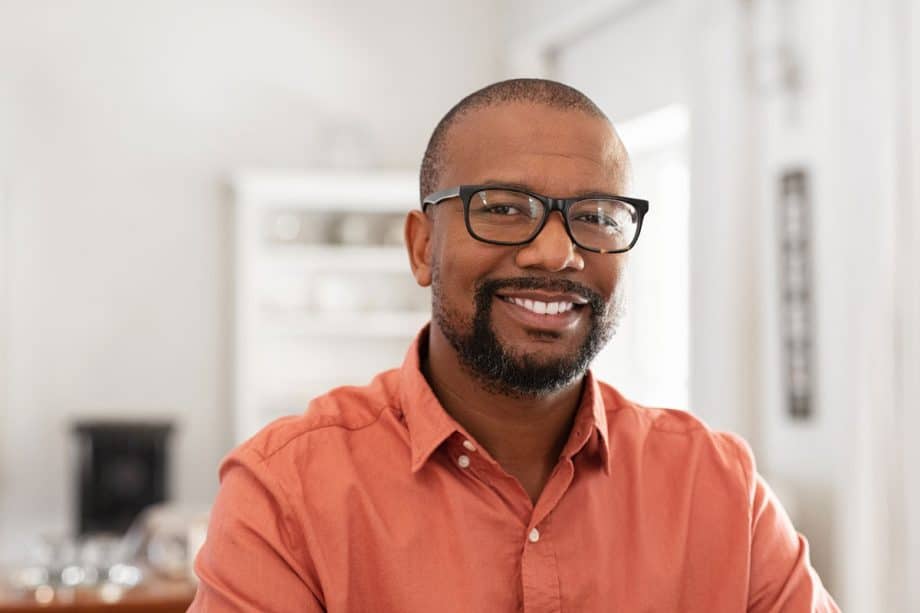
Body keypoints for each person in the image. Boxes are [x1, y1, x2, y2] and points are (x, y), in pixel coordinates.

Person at [188, 79, 839, 612]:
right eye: (503, 208)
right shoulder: (288, 494)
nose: (557, 252)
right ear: (422, 247)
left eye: (596, 216)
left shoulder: (719, 488)